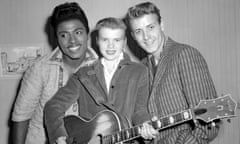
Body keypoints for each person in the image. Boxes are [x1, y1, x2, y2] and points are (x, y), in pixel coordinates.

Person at [44, 17, 158, 144]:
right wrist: (59, 136)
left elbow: (140, 110)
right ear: (97, 41)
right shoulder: (83, 74)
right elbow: (53, 106)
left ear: (124, 42)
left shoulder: (140, 72)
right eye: (105, 40)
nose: (111, 46)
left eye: (116, 40)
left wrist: (145, 124)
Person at [125, 2, 220, 144]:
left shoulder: (185, 54)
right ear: (133, 36)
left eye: (150, 27)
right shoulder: (141, 68)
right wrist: (144, 129)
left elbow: (209, 121)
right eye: (138, 31)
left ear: (161, 24)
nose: (146, 36)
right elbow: (140, 114)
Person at [11, 2, 98, 144]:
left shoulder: (102, 67)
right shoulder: (40, 69)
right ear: (56, 38)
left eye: (78, 32)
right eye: (64, 35)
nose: (72, 41)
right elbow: (21, 117)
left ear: (87, 33)